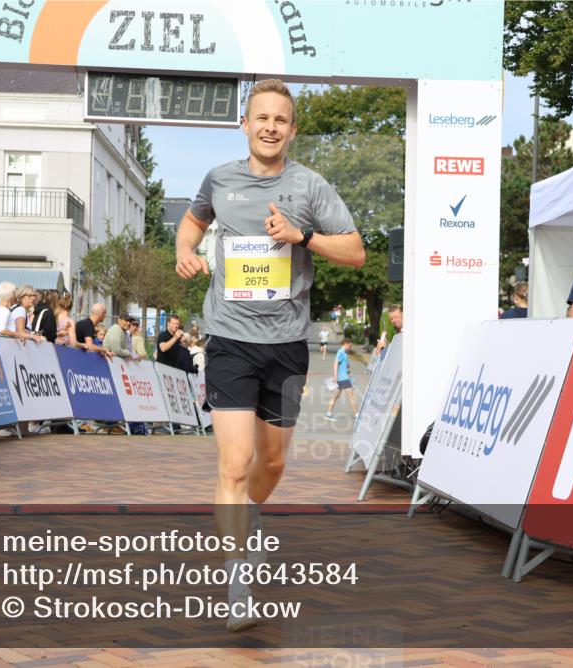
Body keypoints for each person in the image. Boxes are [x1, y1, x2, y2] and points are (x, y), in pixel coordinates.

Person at [175, 78, 365, 632]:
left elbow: (354, 252)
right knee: (234, 464)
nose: (270, 127)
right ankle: (238, 582)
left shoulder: (310, 186)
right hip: (229, 337)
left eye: (280, 120)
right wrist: (186, 252)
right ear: (246, 123)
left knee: (273, 461)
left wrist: (303, 237)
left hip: (286, 344)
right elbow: (192, 222)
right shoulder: (220, 180)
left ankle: (249, 518)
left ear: (292, 129)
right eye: (261, 117)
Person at [325, 338, 358, 421]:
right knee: (352, 397)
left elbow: (344, 366)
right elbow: (335, 363)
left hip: (343, 378)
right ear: (346, 344)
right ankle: (357, 415)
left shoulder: (343, 353)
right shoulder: (341, 352)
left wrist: (348, 372)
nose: (350, 347)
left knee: (334, 397)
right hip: (343, 379)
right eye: (350, 346)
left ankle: (328, 414)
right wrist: (335, 375)